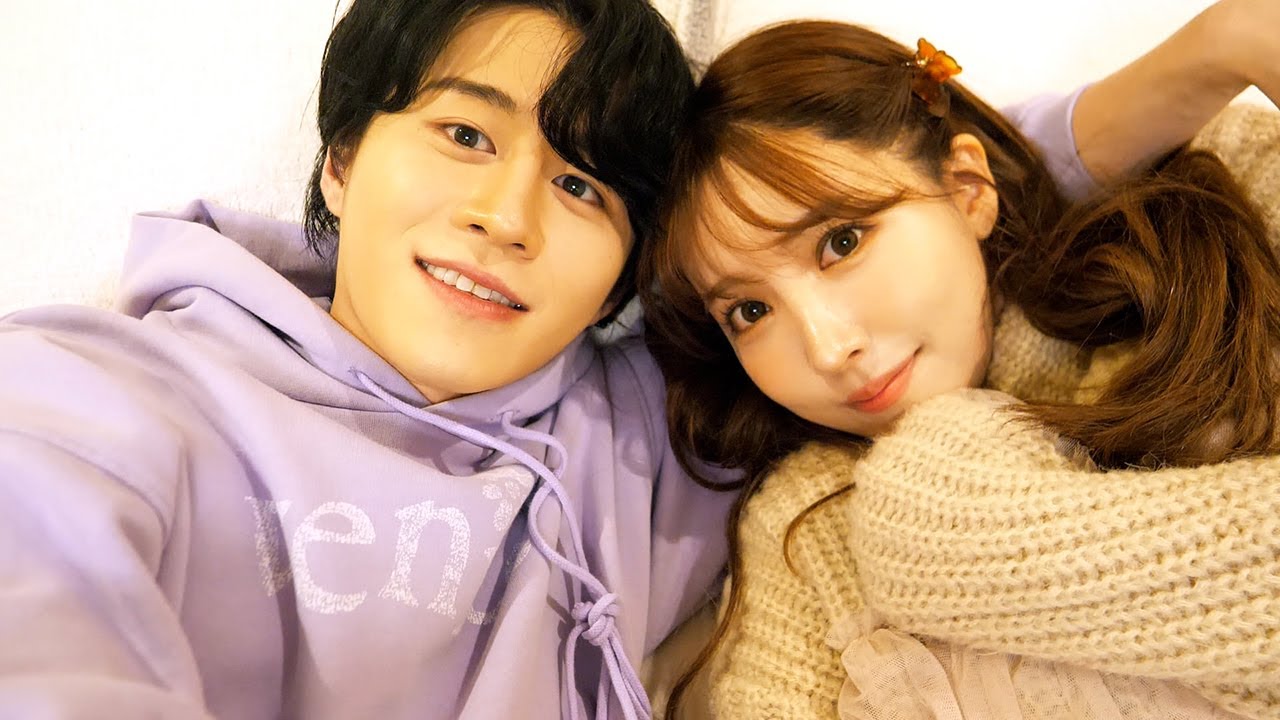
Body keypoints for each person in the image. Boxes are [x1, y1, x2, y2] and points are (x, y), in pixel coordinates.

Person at [0, 0, 1256, 718]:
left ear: (627, 269)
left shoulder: (674, 412)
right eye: (463, 135)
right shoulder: (95, 398)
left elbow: (876, 203)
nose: (506, 217)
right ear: (339, 161)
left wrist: (1209, 55)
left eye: (582, 184)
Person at [641, 7, 1280, 720]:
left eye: (842, 242)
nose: (826, 348)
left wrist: (935, 535)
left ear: (968, 191)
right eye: (750, 311)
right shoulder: (799, 528)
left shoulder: (1224, 221)